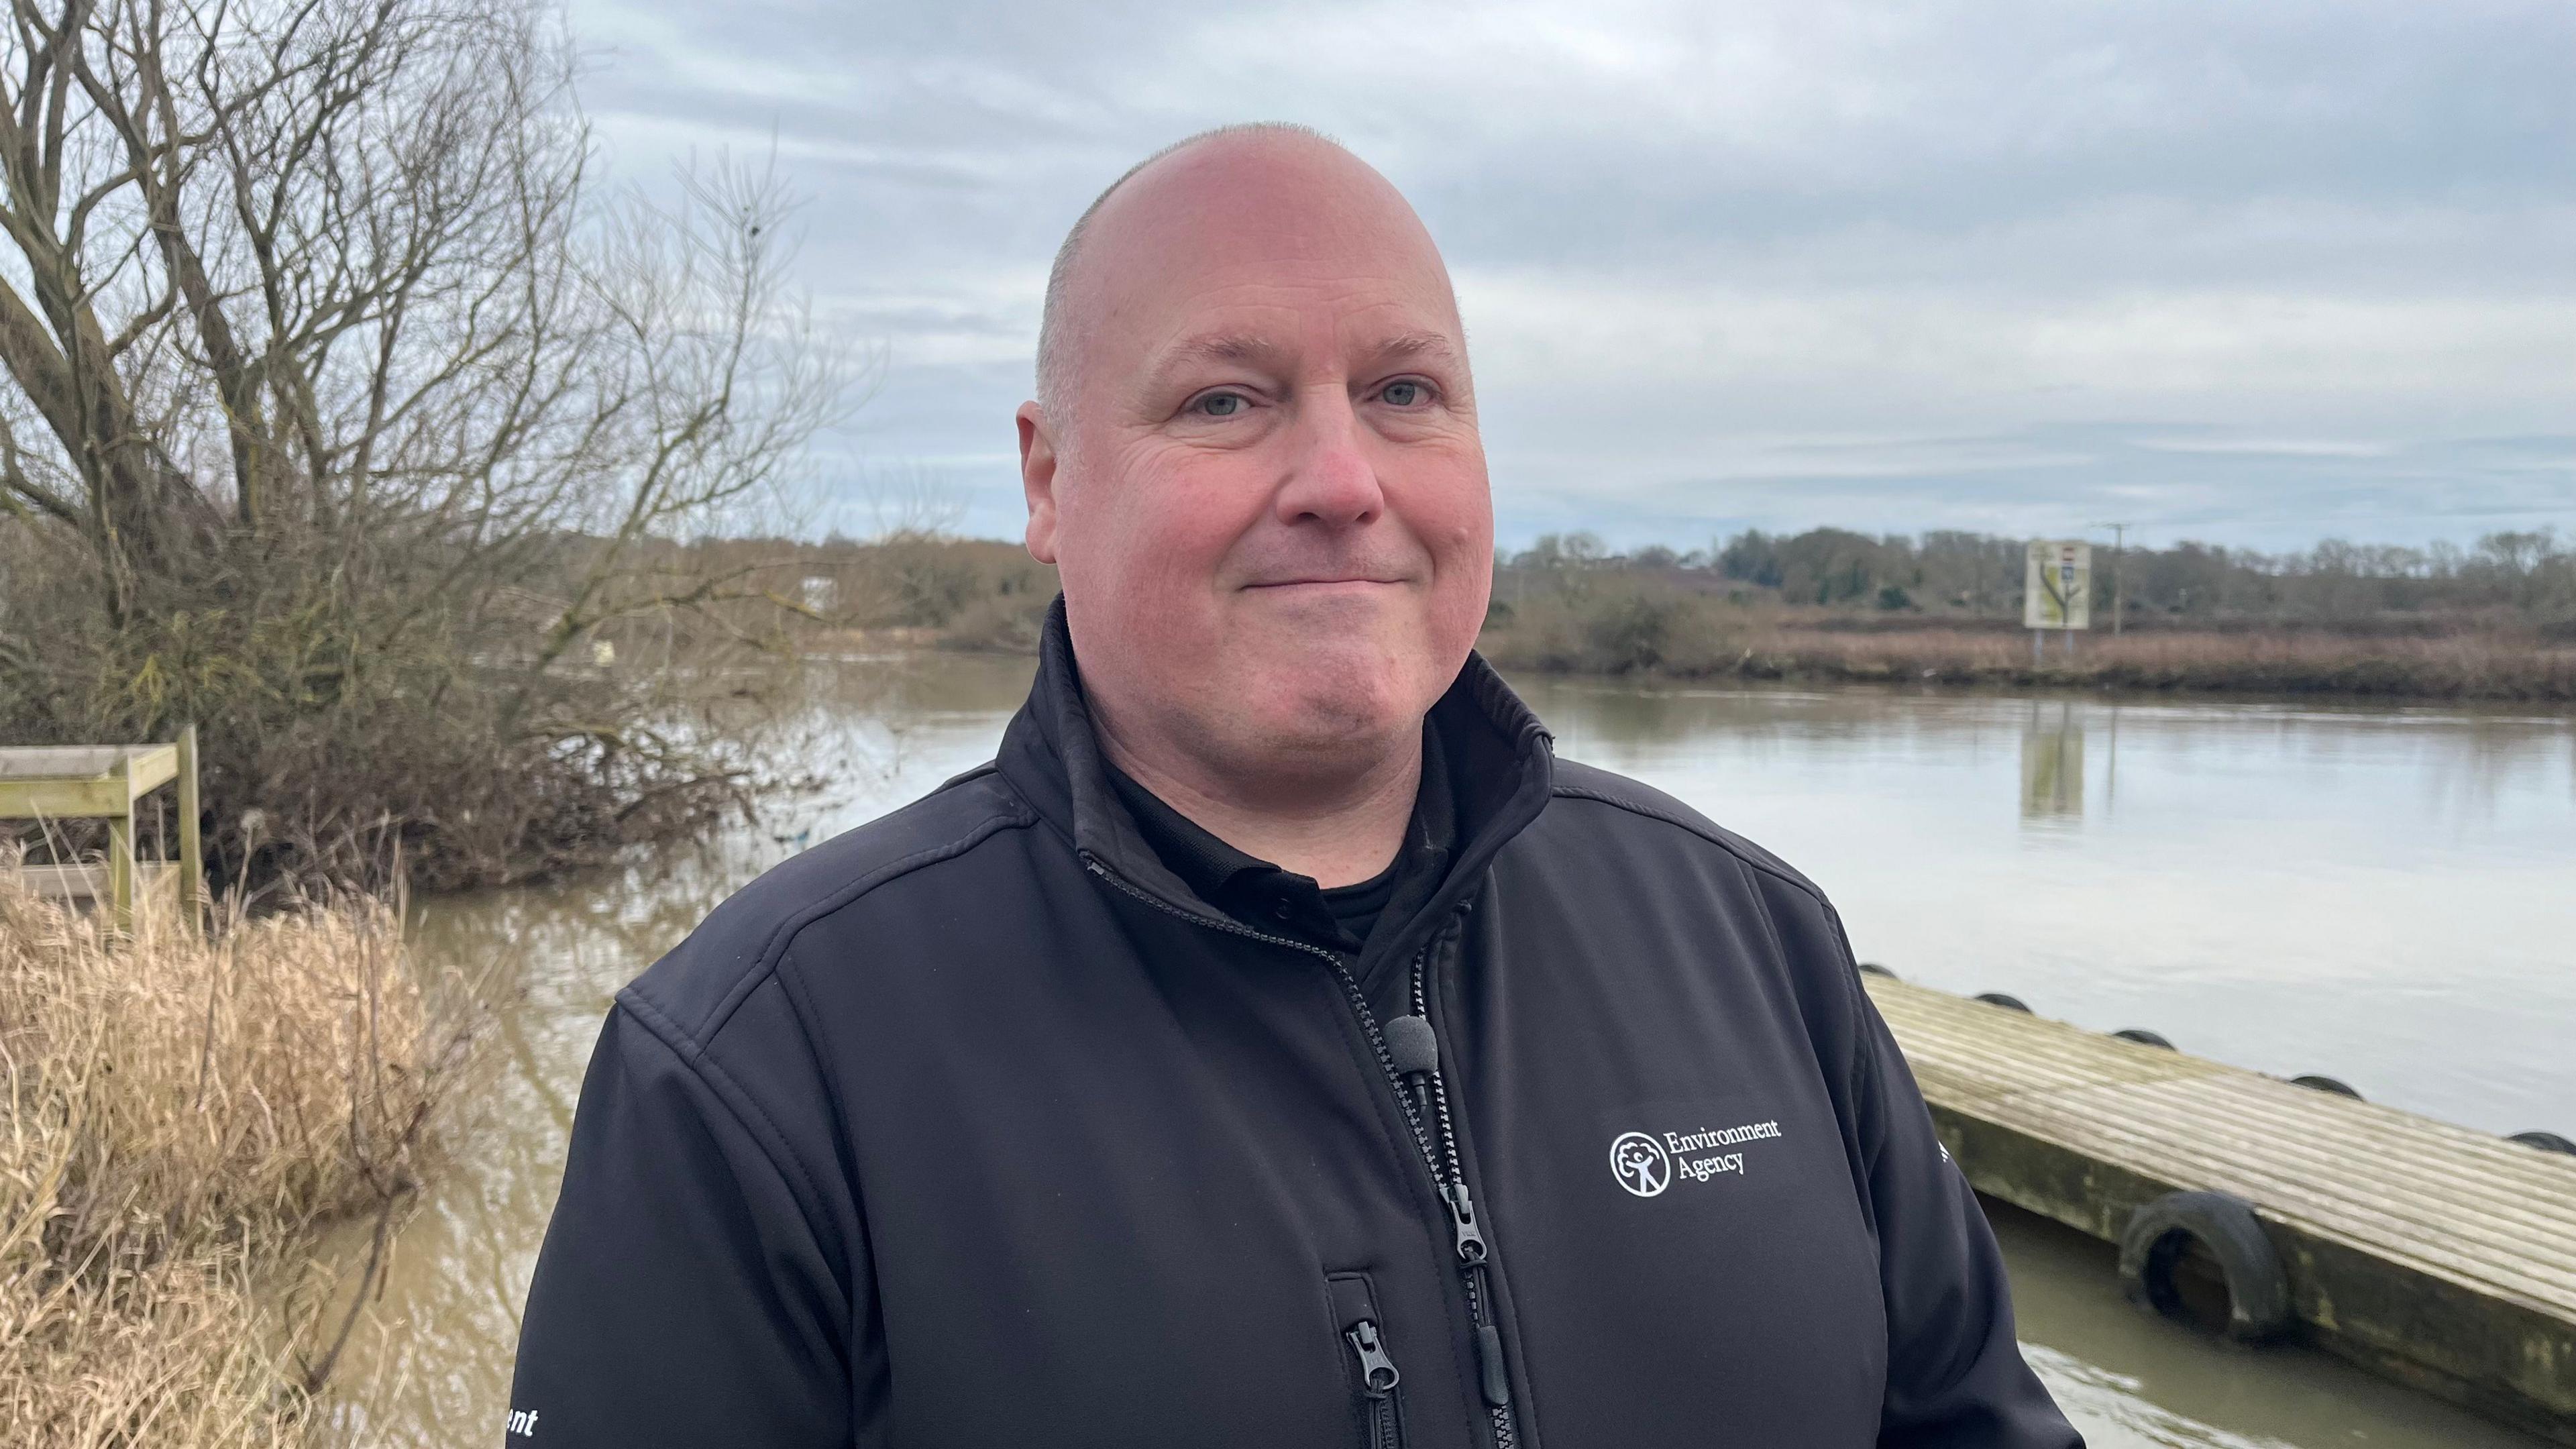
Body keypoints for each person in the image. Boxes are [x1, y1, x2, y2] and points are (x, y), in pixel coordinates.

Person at [506, 123, 2082, 1449]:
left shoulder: (1752, 941)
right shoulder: (757, 1069)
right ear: (1050, 480)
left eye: (1404, 392)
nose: (1343, 483)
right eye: (1226, 400)